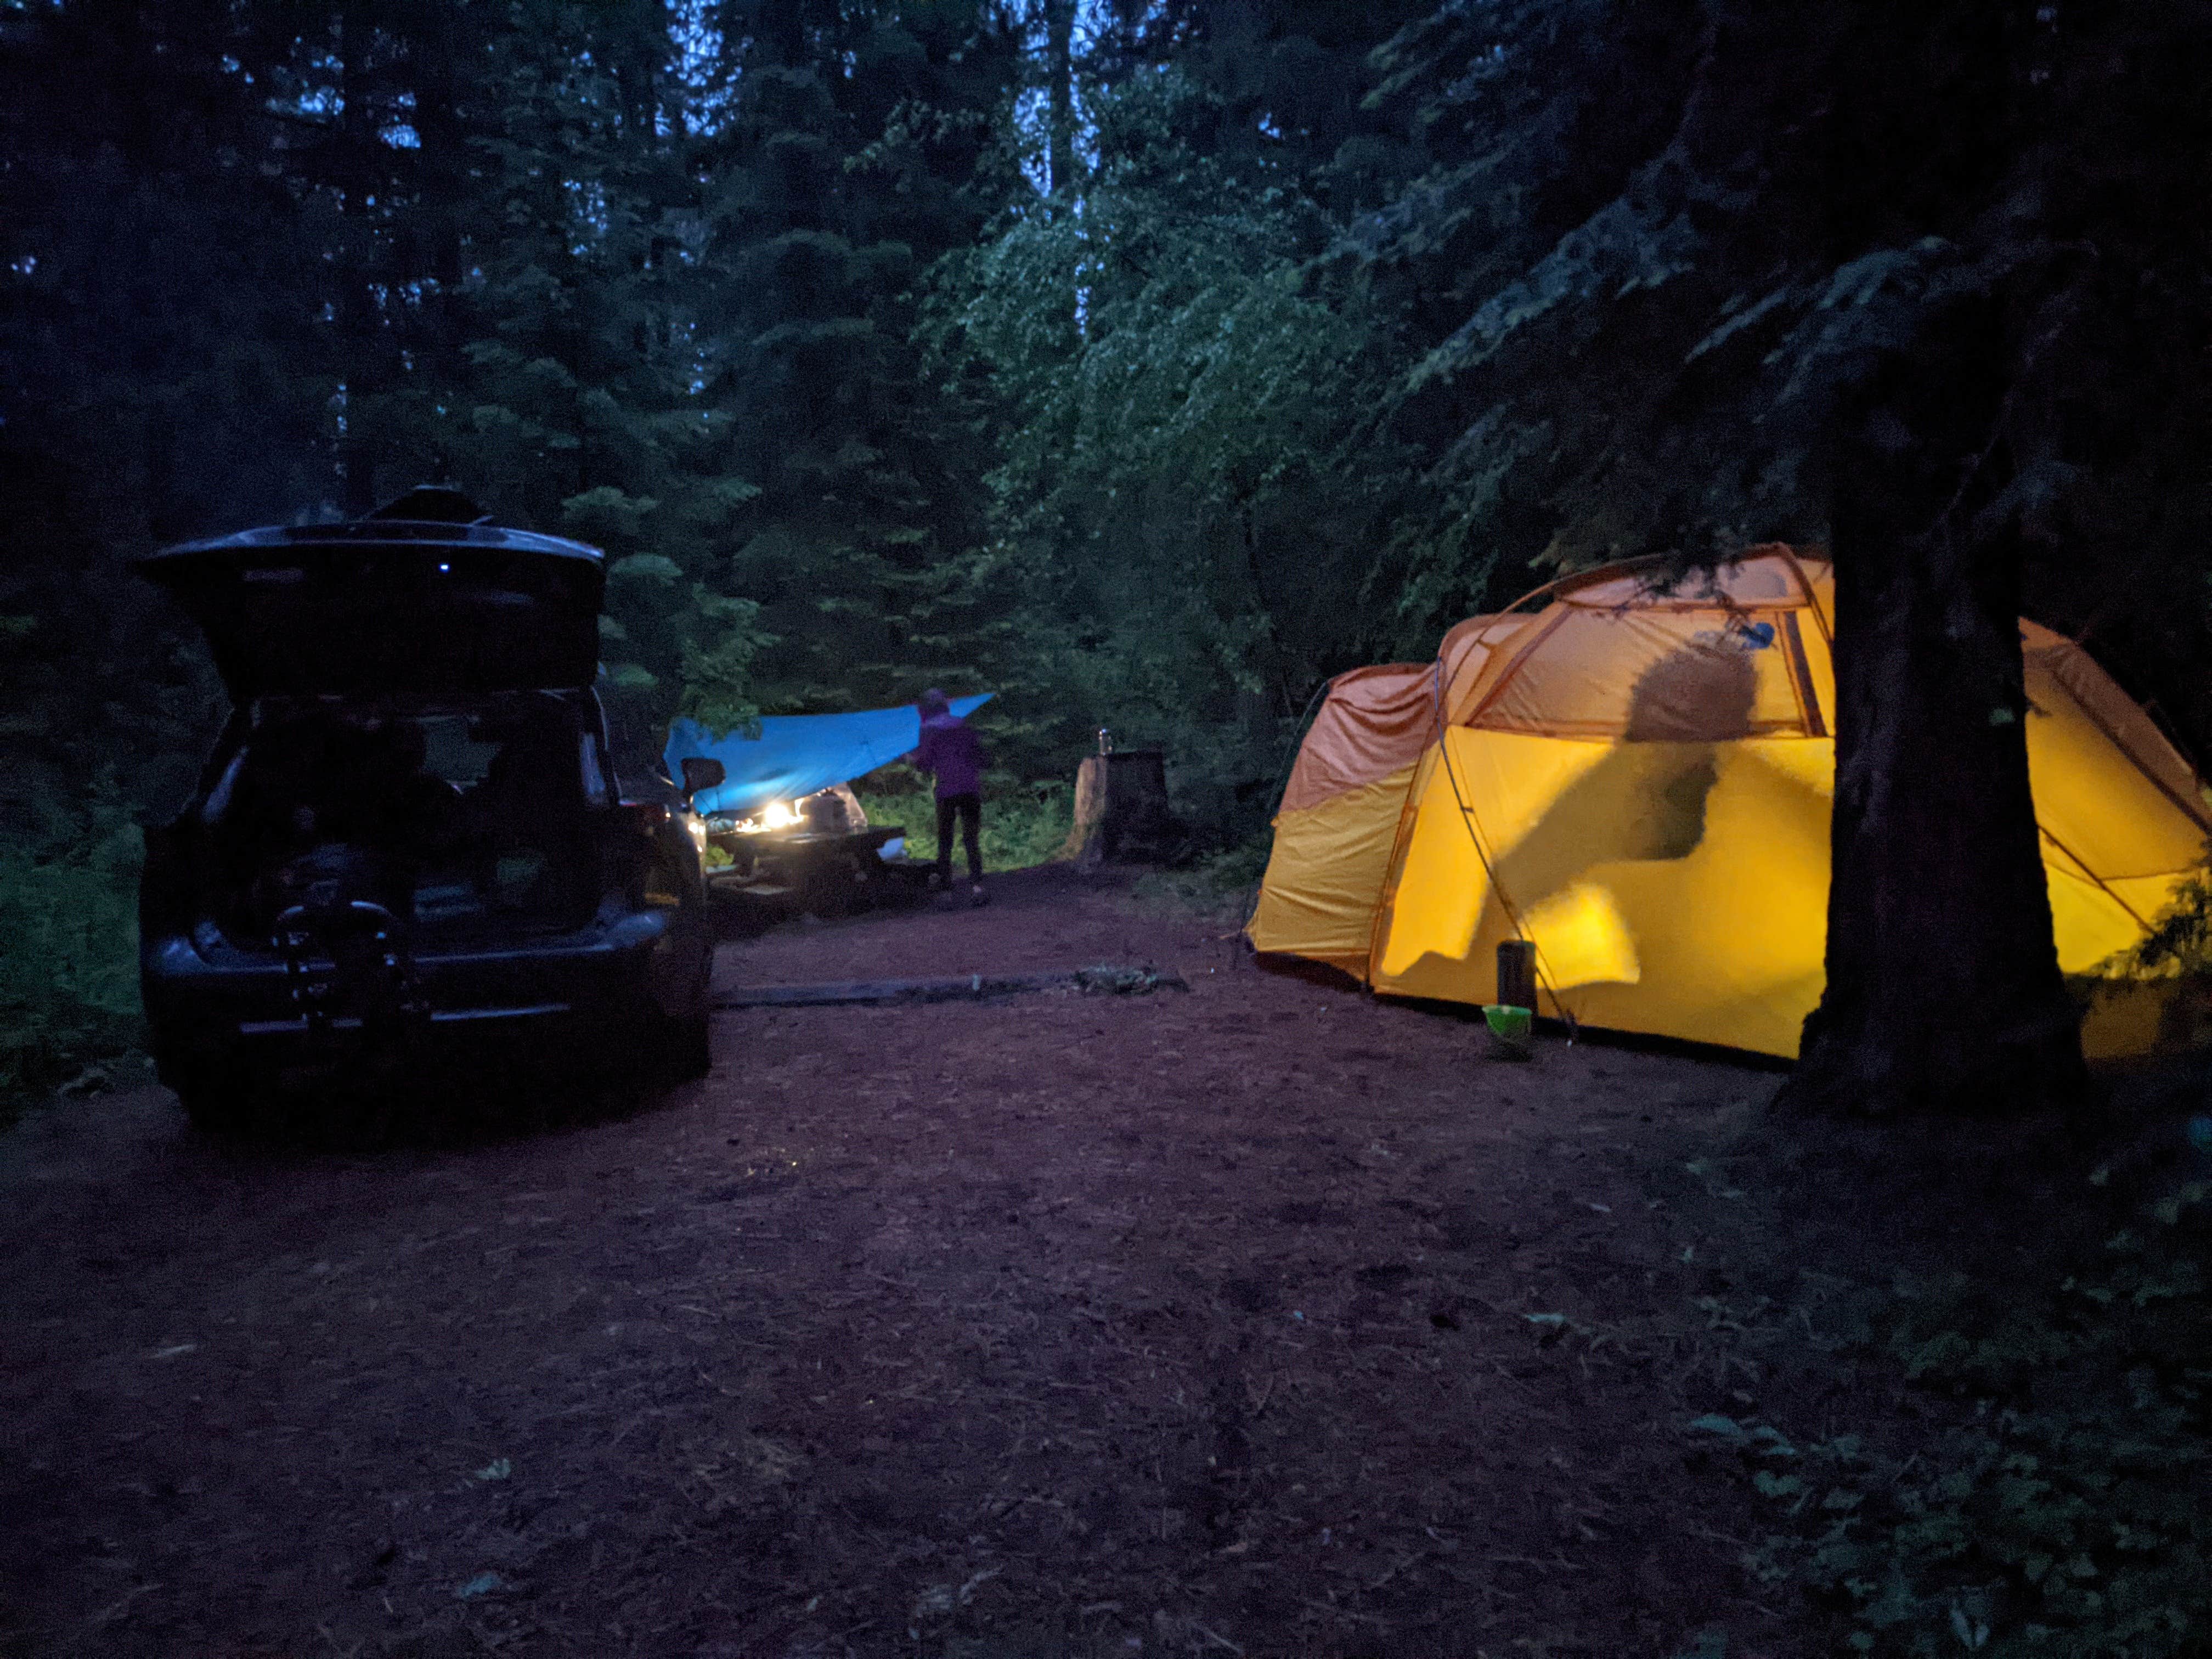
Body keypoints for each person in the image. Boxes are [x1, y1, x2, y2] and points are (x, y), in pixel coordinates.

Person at [910, 689, 986, 904]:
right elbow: (981, 757)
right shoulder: (963, 726)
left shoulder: (928, 730)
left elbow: (925, 762)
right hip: (970, 787)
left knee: (945, 840)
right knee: (972, 839)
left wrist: (910, 760)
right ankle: (977, 887)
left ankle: (947, 891)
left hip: (946, 790)